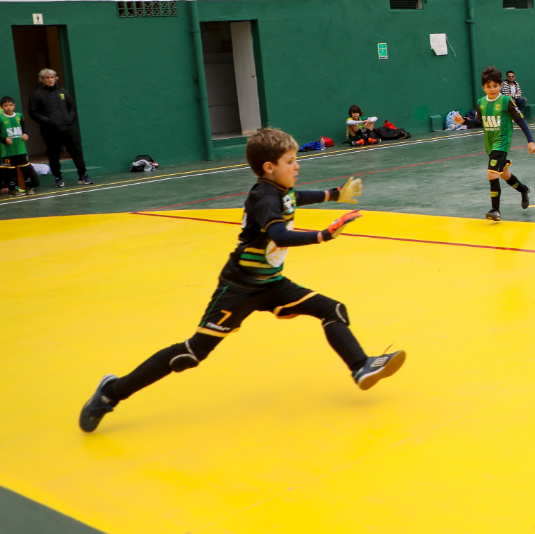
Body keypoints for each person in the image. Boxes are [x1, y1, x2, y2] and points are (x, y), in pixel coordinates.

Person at [78, 129, 404, 433]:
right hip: (238, 288)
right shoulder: (264, 197)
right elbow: (279, 233)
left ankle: (361, 366)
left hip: (271, 285)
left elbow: (294, 198)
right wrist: (322, 235)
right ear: (268, 167)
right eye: (290, 162)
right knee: (191, 354)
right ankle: (112, 391)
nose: (297, 166)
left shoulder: (278, 189)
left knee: (332, 309)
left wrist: (333, 194)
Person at [477, 66, 535, 221]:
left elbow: (520, 120)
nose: (492, 89)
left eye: (495, 86)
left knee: (491, 173)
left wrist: (530, 140)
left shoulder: (506, 101)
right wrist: (462, 121)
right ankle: (524, 190)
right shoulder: (481, 103)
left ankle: (495, 210)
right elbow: (477, 122)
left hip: (502, 143)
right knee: (504, 174)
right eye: (488, 86)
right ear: (483, 88)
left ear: (499, 86)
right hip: (490, 144)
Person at [28, 68, 91, 187]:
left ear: (55, 78)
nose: (50, 80)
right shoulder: (37, 94)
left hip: (68, 128)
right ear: (42, 80)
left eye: (52, 77)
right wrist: (48, 121)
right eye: (47, 78)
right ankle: (58, 177)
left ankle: (83, 176)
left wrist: (69, 118)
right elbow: (33, 112)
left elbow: (71, 106)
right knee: (53, 154)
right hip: (50, 130)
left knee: (76, 151)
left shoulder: (63, 91)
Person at [0, 96, 39, 195]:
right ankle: (12, 189)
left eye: (10, 105)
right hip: (8, 150)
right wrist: (4, 140)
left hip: (20, 149)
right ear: (1, 107)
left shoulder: (19, 116)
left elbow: (23, 128)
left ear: (14, 106)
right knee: (10, 170)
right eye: (6, 106)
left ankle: (29, 187)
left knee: (25, 168)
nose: (8, 107)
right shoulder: (0, 118)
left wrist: (25, 134)